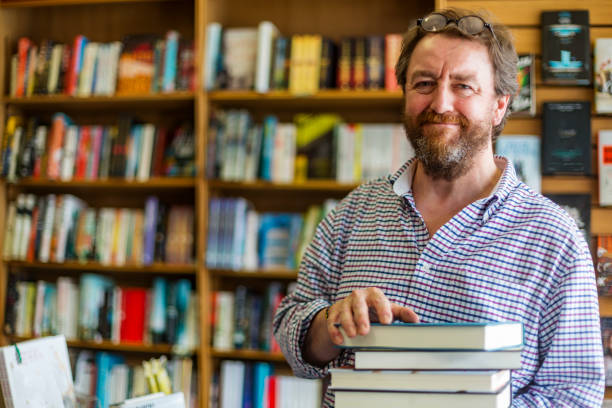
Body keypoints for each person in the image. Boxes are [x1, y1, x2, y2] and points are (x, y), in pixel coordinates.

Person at [272, 7, 605, 408]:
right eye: (424, 83)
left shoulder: (554, 238)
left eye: (463, 86)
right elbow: (292, 333)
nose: (440, 102)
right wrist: (330, 325)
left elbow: (574, 396)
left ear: (500, 104)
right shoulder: (354, 211)